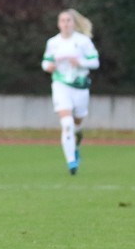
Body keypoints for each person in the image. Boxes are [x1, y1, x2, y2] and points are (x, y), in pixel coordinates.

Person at [41, 9, 99, 175]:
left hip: (80, 87)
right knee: (67, 124)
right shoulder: (53, 42)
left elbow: (95, 62)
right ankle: (71, 162)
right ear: (58, 24)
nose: (65, 24)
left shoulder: (83, 41)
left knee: (77, 123)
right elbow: (45, 62)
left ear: (74, 23)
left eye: (68, 21)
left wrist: (80, 62)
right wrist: (49, 67)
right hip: (61, 85)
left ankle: (77, 140)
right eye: (62, 21)